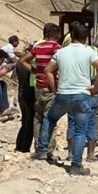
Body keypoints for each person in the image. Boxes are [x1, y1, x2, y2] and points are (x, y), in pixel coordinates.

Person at [33, 25, 98, 176]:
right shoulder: (89, 51)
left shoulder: (61, 52)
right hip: (82, 95)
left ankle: (42, 150)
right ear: (86, 38)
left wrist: (54, 87)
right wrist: (95, 86)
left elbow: (47, 70)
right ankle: (76, 165)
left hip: (63, 93)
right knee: (80, 130)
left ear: (71, 36)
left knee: (49, 118)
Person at [21, 23, 62, 159]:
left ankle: (38, 147)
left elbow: (24, 61)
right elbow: (61, 63)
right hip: (51, 86)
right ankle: (48, 149)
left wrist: (36, 71)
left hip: (38, 86)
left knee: (38, 117)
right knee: (50, 118)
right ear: (57, 35)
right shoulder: (56, 47)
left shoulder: (37, 47)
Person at [15, 42, 36, 153]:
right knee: (30, 122)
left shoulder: (20, 62)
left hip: (21, 93)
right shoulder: (29, 64)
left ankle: (19, 145)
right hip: (28, 94)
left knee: (25, 122)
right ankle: (24, 147)